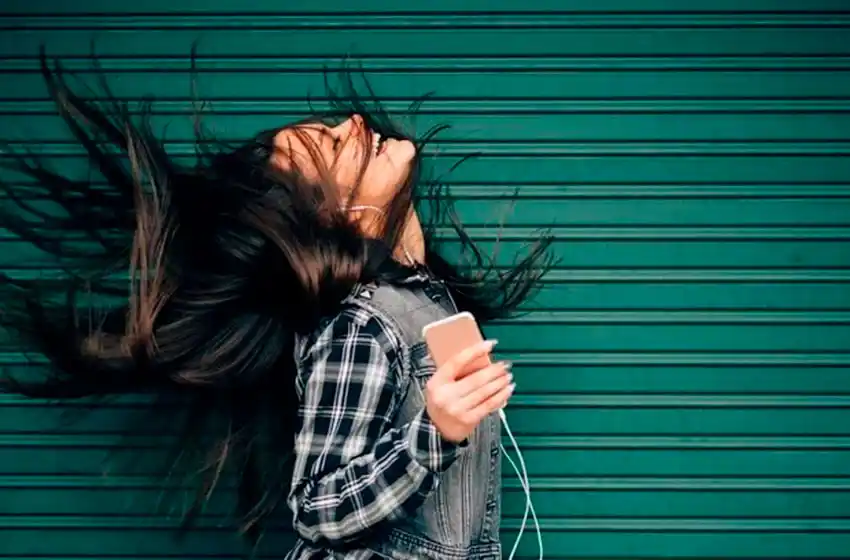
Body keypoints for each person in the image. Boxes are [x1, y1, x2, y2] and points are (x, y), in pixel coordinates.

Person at [0, 53, 554, 559]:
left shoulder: (422, 299)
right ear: (335, 214)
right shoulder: (360, 324)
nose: (354, 124)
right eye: (333, 146)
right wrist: (434, 433)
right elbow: (318, 508)